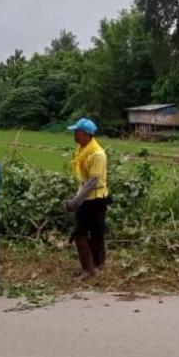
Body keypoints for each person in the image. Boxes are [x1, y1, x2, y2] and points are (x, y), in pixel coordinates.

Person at [63, 117, 109, 280]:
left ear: (86, 134)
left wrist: (76, 202)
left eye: (77, 132)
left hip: (95, 199)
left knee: (83, 234)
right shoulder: (82, 150)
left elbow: (92, 182)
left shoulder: (97, 154)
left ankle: (90, 270)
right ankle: (95, 265)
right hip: (86, 197)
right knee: (91, 232)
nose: (74, 135)